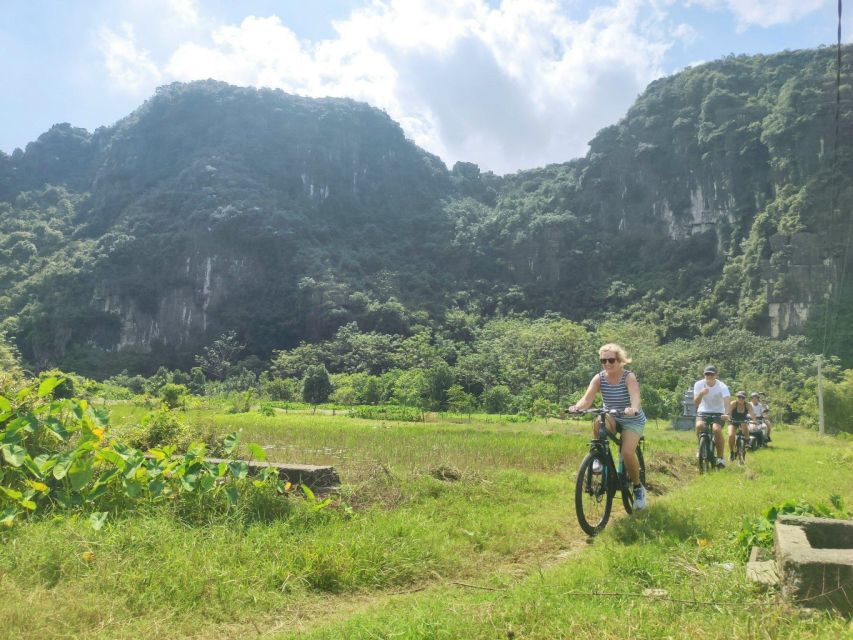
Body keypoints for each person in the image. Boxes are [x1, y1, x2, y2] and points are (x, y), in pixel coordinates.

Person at [568, 343, 648, 509]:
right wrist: (577, 407)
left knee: (626, 452)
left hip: (631, 418)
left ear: (620, 361)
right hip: (611, 415)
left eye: (611, 360)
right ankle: (599, 457)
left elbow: (635, 397)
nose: (607, 364)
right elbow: (587, 399)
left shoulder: (628, 377)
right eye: (603, 360)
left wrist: (633, 408)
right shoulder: (599, 378)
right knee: (599, 421)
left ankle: (639, 488)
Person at [693, 365, 730, 468]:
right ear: (704, 375)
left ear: (716, 375)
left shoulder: (722, 386)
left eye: (711, 374)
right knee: (699, 426)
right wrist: (701, 393)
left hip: (718, 412)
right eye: (707, 374)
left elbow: (727, 400)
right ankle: (699, 447)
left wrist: (726, 413)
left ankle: (720, 458)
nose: (709, 376)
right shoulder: (698, 384)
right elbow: (696, 403)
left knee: (716, 429)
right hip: (703, 411)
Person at [728, 391, 756, 460]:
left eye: (743, 397)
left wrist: (754, 421)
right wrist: (728, 418)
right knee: (731, 436)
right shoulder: (733, 403)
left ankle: (746, 442)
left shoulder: (748, 405)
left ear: (745, 398)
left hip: (743, 420)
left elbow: (752, 413)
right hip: (733, 420)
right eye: (739, 397)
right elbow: (728, 412)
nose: (741, 399)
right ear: (737, 397)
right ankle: (731, 452)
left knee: (744, 426)